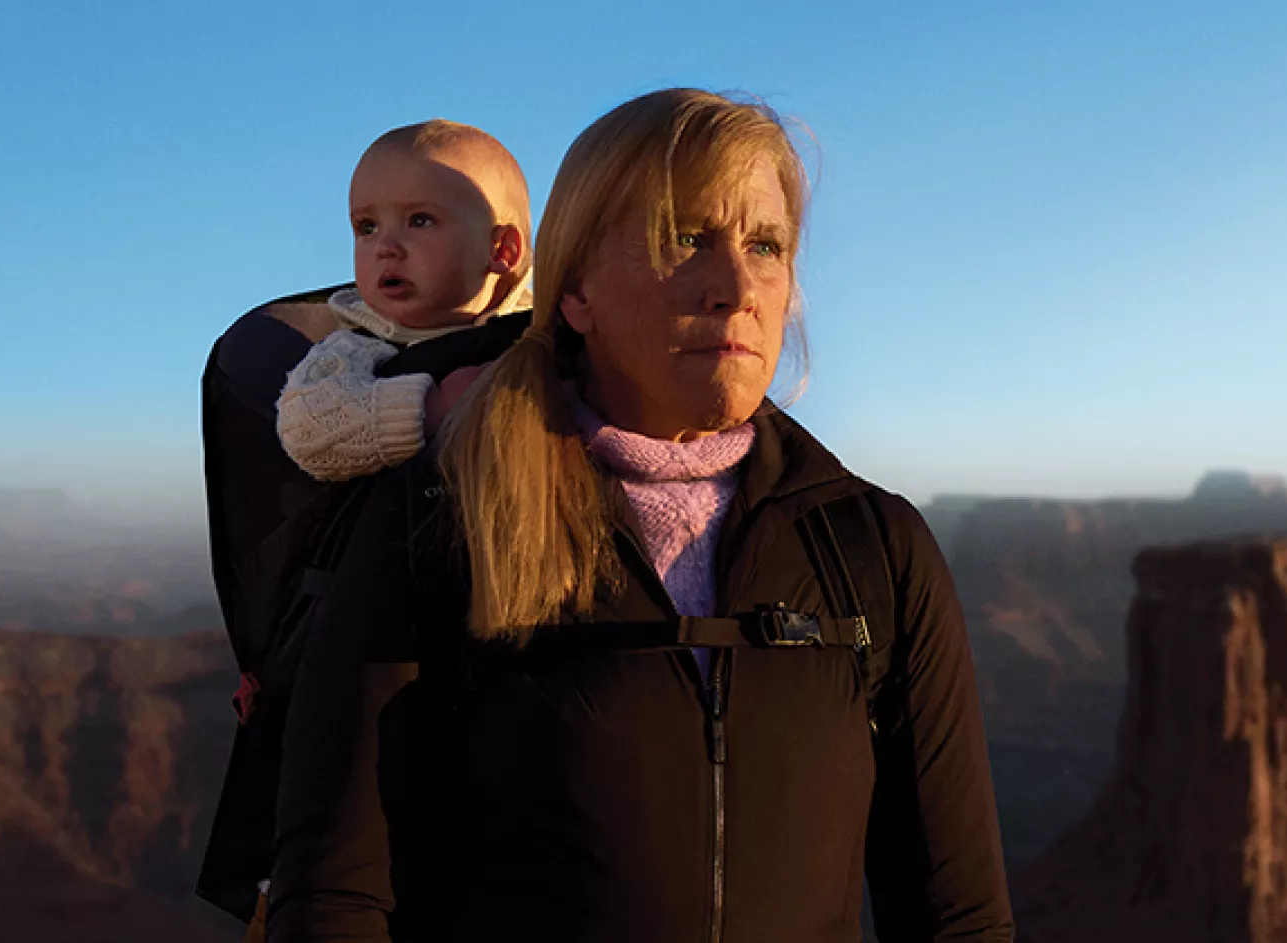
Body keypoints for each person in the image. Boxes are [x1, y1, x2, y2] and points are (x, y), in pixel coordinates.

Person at [268, 89, 1014, 943]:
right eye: (685, 237)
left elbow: (959, 918)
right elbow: (333, 897)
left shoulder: (874, 549)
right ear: (575, 288)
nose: (736, 287)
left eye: (766, 245)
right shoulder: (444, 521)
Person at [194, 118, 534, 925]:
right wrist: (432, 406)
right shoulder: (357, 344)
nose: (385, 247)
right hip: (379, 653)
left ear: (504, 252)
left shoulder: (544, 346)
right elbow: (314, 427)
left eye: (420, 221)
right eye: (366, 225)